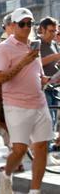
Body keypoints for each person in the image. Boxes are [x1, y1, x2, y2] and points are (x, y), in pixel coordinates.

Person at [0, 7, 52, 194]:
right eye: (22, 24)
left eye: (30, 24)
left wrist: (44, 79)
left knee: (42, 147)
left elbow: (39, 73)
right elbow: (1, 77)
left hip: (40, 103)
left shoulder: (34, 45)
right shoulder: (3, 48)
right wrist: (24, 62)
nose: (27, 27)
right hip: (16, 105)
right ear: (13, 26)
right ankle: (6, 174)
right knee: (19, 149)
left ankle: (35, 191)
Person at [38, 16, 60, 150]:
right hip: (43, 87)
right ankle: (43, 151)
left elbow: (53, 62)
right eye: (51, 31)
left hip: (54, 85)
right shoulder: (36, 43)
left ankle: (48, 149)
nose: (53, 34)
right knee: (48, 119)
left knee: (54, 120)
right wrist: (54, 57)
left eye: (55, 31)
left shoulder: (53, 44)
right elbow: (35, 63)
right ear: (42, 30)